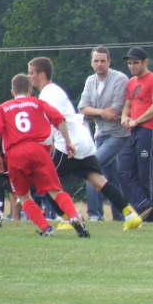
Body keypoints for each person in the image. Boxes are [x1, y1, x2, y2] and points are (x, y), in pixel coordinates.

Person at [27, 57, 143, 232]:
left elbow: (56, 121)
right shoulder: (55, 90)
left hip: (68, 144)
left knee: (45, 182)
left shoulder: (47, 94)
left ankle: (69, 217)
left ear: (41, 74)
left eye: (31, 73)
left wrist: (50, 144)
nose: (30, 77)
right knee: (99, 181)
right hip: (84, 140)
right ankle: (131, 215)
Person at [0, 73, 89, 237]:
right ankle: (74, 216)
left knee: (23, 196)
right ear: (30, 90)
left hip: (15, 154)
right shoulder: (37, 103)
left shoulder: (2, 108)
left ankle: (45, 228)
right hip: (38, 150)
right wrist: (68, 142)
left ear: (12, 91)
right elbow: (60, 120)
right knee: (55, 191)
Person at [78, 46, 129, 222]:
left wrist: (94, 112)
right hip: (99, 135)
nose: (99, 64)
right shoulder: (90, 81)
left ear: (109, 61)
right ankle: (121, 216)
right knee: (110, 178)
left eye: (103, 60)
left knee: (91, 169)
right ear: (91, 63)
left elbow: (116, 108)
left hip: (118, 135)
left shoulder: (120, 79)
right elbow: (82, 107)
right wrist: (101, 113)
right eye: (96, 61)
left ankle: (94, 215)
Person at [118, 46, 153, 222]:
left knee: (147, 173)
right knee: (123, 168)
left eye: (136, 63)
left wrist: (137, 120)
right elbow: (128, 105)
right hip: (134, 130)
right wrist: (124, 117)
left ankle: (148, 217)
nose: (132, 66)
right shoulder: (131, 83)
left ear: (145, 62)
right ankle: (143, 205)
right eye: (130, 63)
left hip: (151, 130)